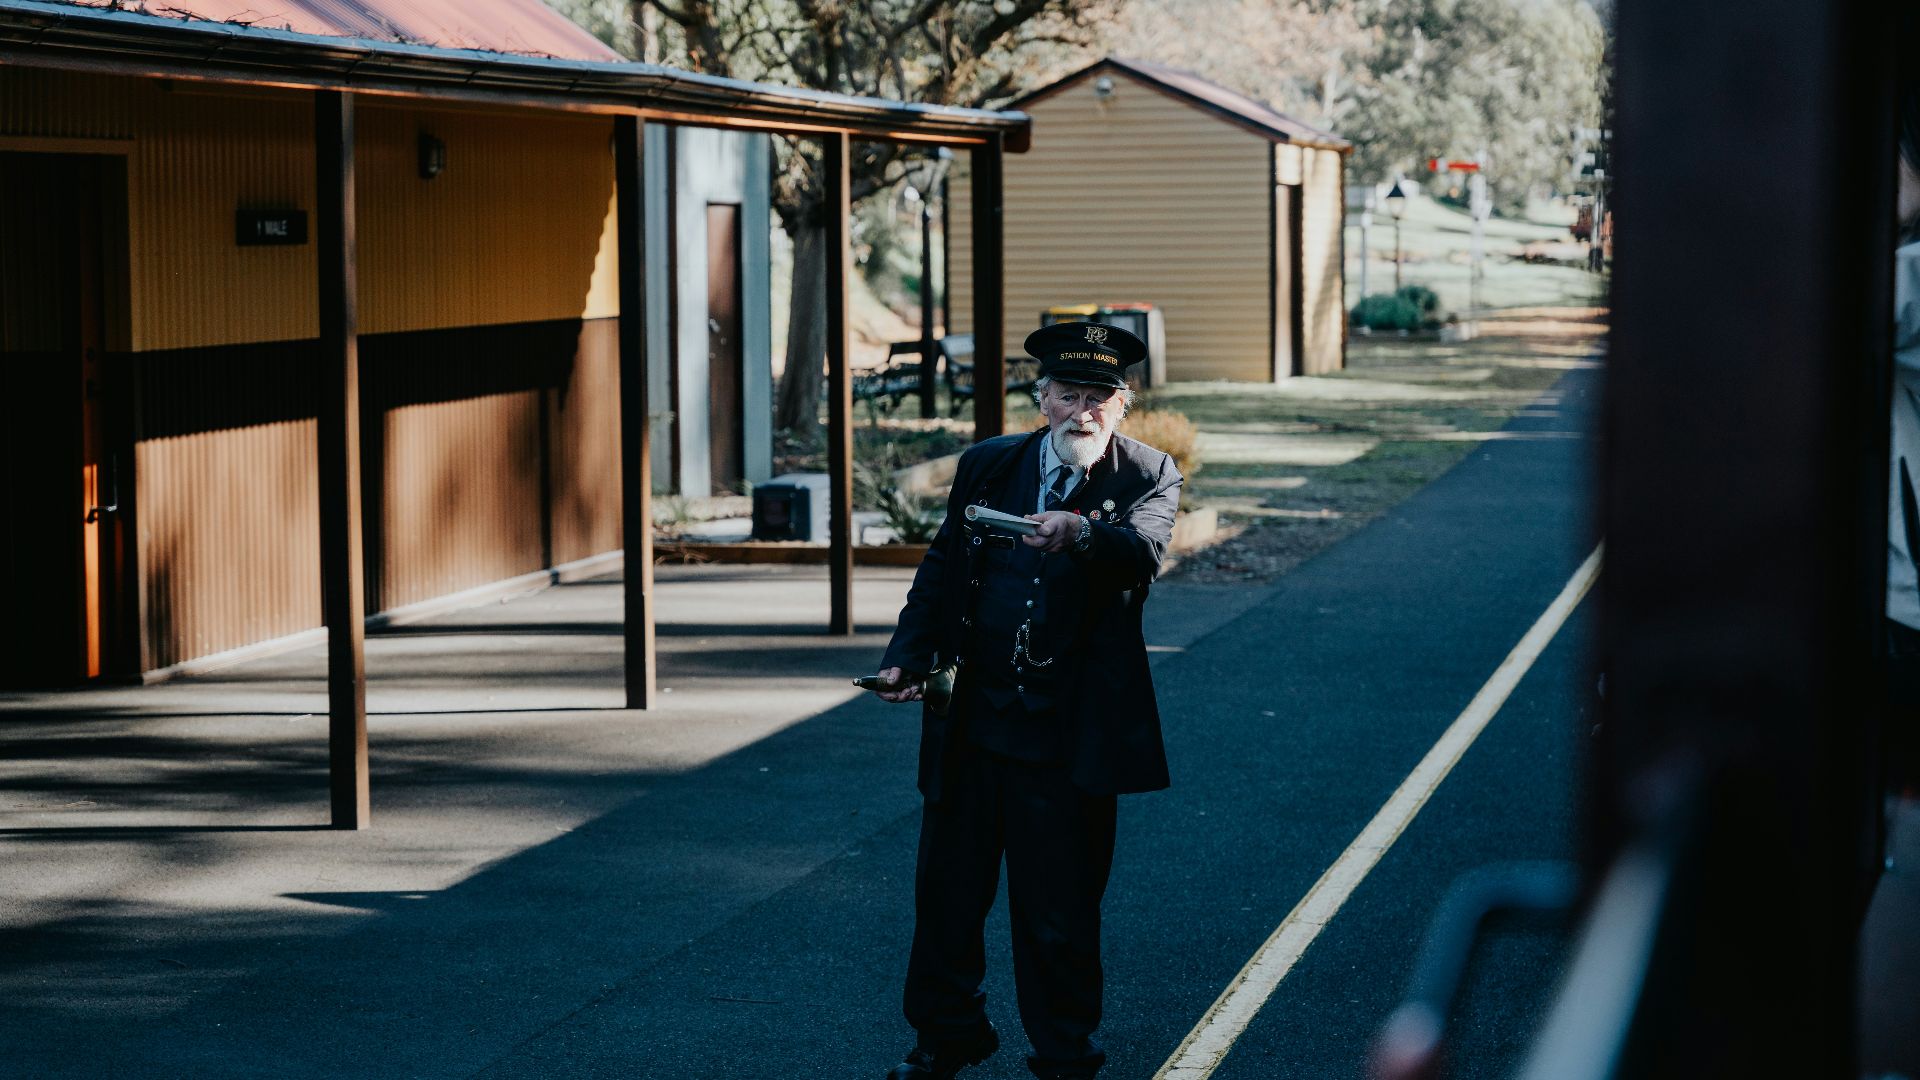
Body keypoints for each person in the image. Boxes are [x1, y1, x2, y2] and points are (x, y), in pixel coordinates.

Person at [866, 321, 1183, 1080]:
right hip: (971, 726)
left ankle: (1065, 1055)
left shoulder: (1147, 473)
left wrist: (1080, 533)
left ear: (1123, 403)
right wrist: (906, 658)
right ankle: (948, 1036)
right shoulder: (988, 464)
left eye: (1099, 398)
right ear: (1041, 398)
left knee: (1058, 915)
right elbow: (942, 568)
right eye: (1068, 395)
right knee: (947, 901)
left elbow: (1142, 552)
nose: (1082, 412)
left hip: (1067, 739)